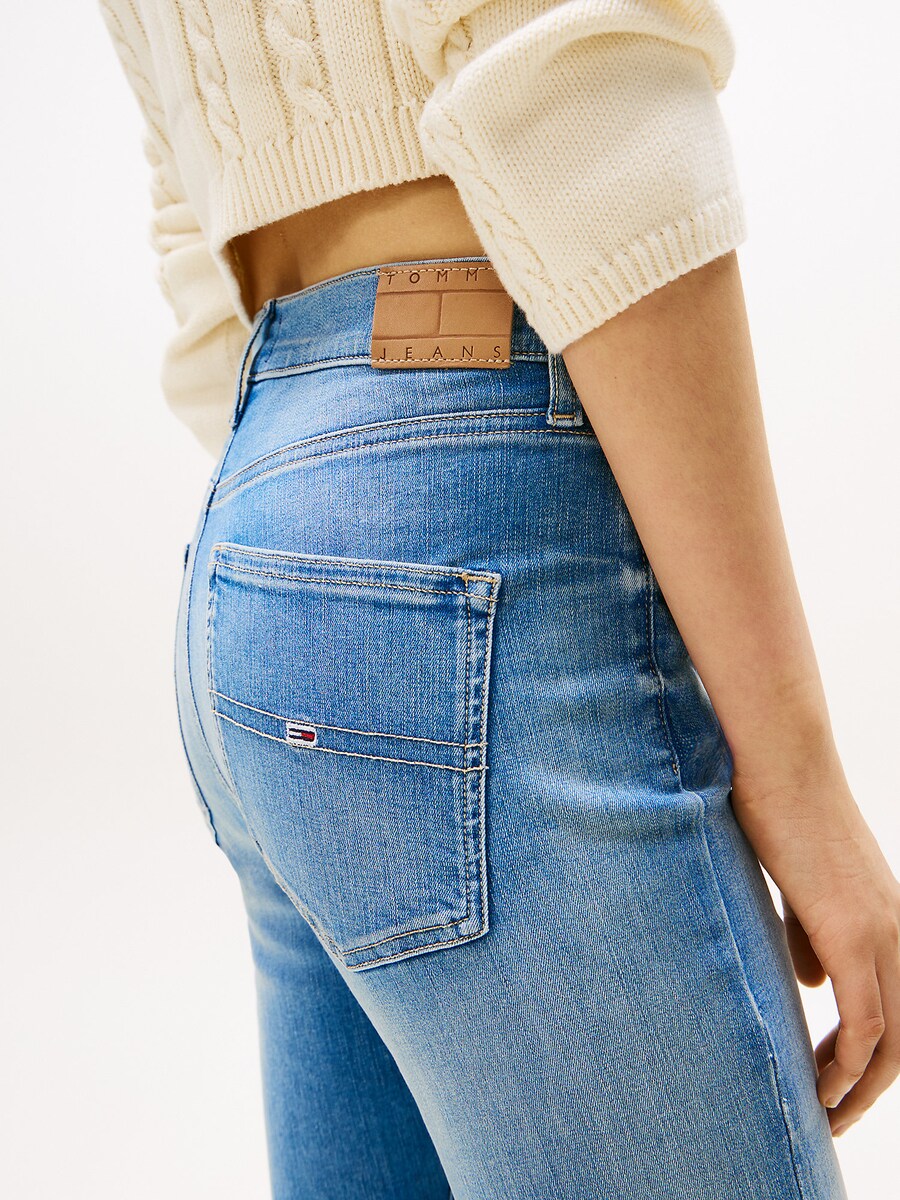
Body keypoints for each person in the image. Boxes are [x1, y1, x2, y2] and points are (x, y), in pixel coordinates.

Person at [98, 2, 898, 1197]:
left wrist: (328, 569)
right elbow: (577, 79)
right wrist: (798, 776)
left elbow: (189, 209)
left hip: (259, 525)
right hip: (466, 527)